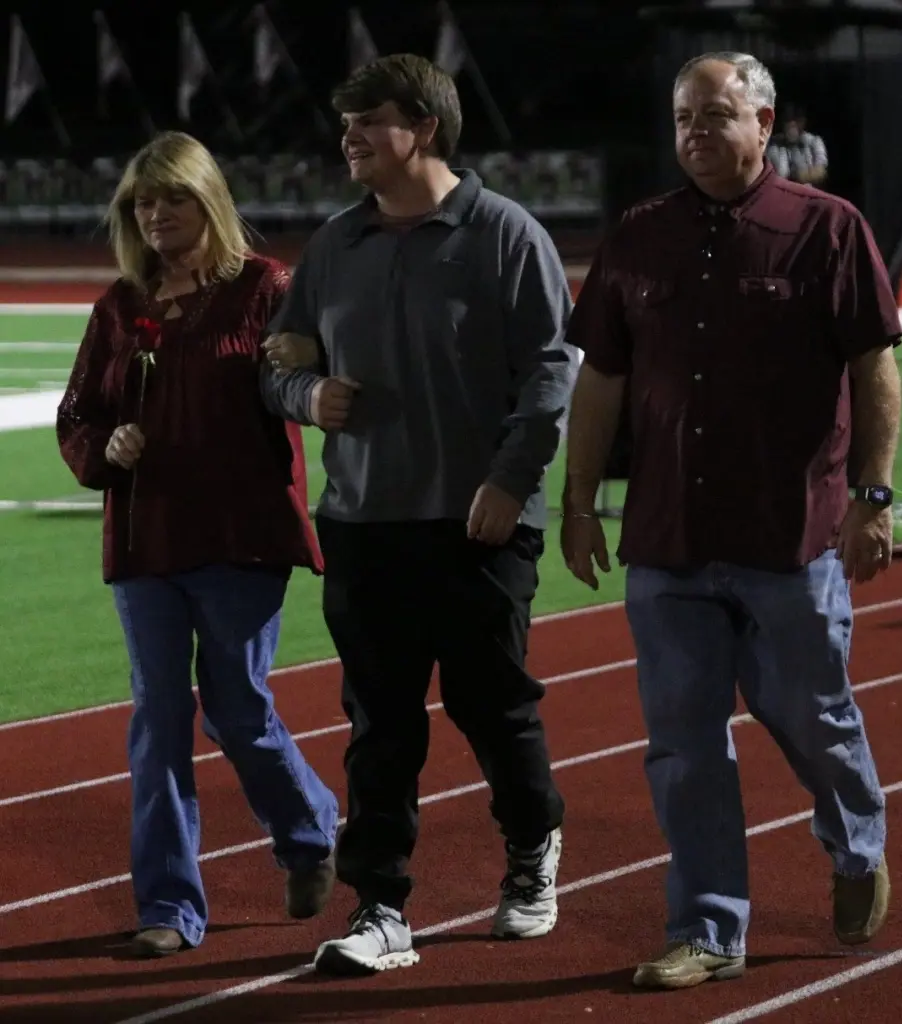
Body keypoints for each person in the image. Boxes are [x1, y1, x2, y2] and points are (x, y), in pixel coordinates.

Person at [561, 51, 902, 991]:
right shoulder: (639, 235)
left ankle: (854, 842)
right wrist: (578, 501)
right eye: (682, 117)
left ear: (763, 122)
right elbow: (601, 378)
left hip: (790, 537)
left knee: (811, 719)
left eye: (713, 114)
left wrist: (872, 497)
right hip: (667, 538)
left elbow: (874, 366)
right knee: (682, 746)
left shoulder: (827, 229)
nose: (694, 133)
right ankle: (708, 927)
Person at [260, 53, 574, 977]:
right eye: (345, 123)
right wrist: (307, 395)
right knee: (379, 727)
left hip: (480, 522)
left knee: (491, 708)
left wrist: (510, 482)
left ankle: (531, 848)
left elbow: (550, 372)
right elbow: (276, 367)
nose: (349, 138)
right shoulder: (334, 245)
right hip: (363, 523)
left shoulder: (505, 234)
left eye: (369, 121)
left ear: (424, 127)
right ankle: (380, 906)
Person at [56, 130, 339, 958]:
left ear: (208, 199)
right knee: (158, 717)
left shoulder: (265, 289)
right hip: (145, 539)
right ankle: (169, 907)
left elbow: (302, 381)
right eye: (142, 202)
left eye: (172, 197)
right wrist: (105, 447)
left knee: (236, 710)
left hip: (241, 536)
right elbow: (78, 414)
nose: (156, 214)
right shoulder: (120, 307)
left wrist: (313, 369)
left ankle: (307, 830)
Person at [767, 104, 828, 186]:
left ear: (804, 122)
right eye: (788, 120)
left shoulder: (815, 141)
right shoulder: (772, 144)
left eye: (797, 120)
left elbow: (821, 173)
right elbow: (771, 176)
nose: (792, 124)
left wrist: (795, 176)